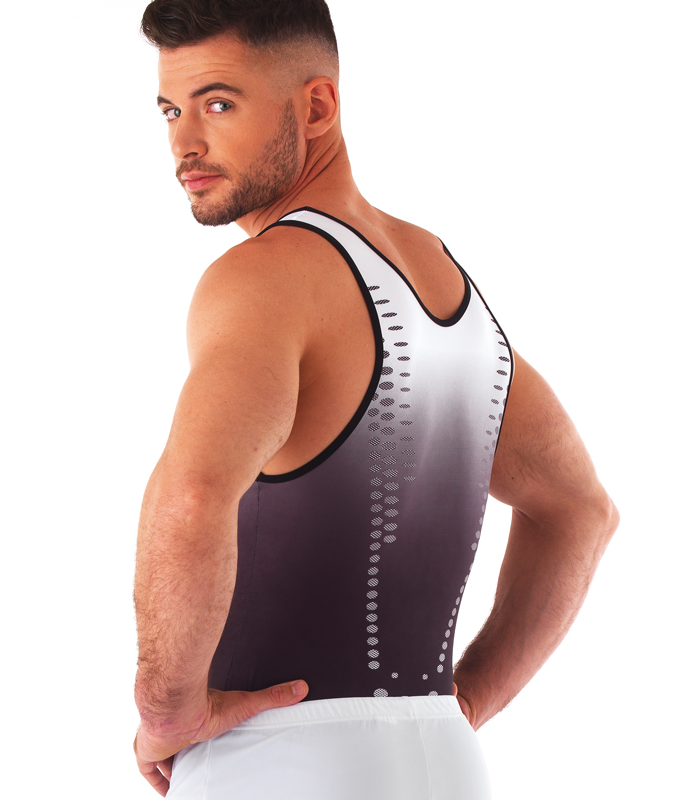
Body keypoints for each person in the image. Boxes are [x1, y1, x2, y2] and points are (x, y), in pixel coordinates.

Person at [131, 1, 620, 797]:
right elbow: (580, 511)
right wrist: (466, 702)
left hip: (276, 761)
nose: (185, 141)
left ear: (316, 105)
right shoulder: (444, 280)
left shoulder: (262, 277)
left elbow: (191, 496)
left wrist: (168, 710)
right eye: (169, 110)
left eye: (218, 104)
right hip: (443, 762)